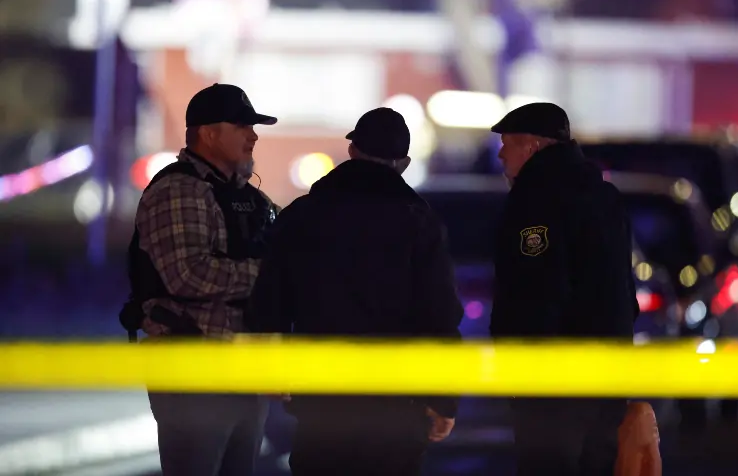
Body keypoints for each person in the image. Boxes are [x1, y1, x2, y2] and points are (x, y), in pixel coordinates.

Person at [246, 107, 464, 476]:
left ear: (352, 151)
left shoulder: (304, 214)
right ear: (404, 163)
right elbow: (439, 313)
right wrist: (443, 398)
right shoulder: (418, 222)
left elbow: (269, 296)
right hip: (395, 402)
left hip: (322, 398)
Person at [123, 83, 281, 475]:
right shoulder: (178, 190)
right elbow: (189, 275)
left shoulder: (250, 199)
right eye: (241, 126)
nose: (253, 136)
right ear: (208, 134)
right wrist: (270, 275)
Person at [489, 102, 638, 475]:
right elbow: (622, 286)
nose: (501, 154)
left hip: (553, 382)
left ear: (532, 146)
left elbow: (535, 292)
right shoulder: (604, 196)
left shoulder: (535, 203)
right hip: (607, 373)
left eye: (507, 144)